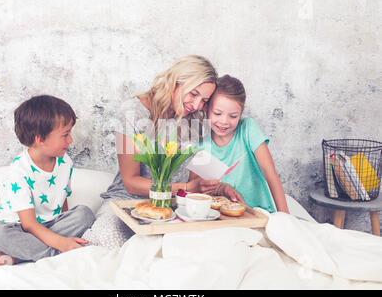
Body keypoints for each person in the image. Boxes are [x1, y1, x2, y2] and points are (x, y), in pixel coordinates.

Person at [82, 55, 218, 249]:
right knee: (108, 238)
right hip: (127, 203)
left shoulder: (196, 119)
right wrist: (186, 188)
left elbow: (197, 180)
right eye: (193, 94)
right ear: (175, 82)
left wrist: (212, 188)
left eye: (204, 100)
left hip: (175, 206)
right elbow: (131, 183)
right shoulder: (132, 112)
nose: (197, 105)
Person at [0, 95, 95, 265]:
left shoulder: (65, 162)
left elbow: (63, 201)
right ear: (40, 139)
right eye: (65, 135)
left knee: (84, 214)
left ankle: (18, 254)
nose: (70, 140)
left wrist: (64, 223)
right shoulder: (18, 171)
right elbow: (29, 225)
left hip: (50, 224)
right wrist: (61, 242)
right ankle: (54, 252)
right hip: (19, 227)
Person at [194, 75, 289, 213]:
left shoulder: (247, 129)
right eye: (217, 113)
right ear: (206, 108)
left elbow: (270, 173)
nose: (224, 121)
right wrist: (221, 188)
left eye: (233, 116)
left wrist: (285, 216)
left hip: (259, 212)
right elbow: (196, 189)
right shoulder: (201, 141)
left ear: (240, 114)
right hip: (222, 218)